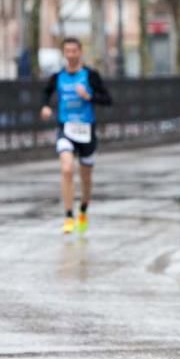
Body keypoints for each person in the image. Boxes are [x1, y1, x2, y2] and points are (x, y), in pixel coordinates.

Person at [40, 37, 112, 234]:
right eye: (67, 51)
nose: (70, 55)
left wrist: (89, 96)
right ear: (64, 53)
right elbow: (45, 94)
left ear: (80, 52)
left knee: (86, 177)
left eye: (74, 51)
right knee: (66, 169)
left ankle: (83, 210)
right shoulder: (58, 77)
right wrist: (45, 107)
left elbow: (108, 99)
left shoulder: (90, 75)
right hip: (66, 129)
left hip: (86, 131)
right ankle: (68, 216)